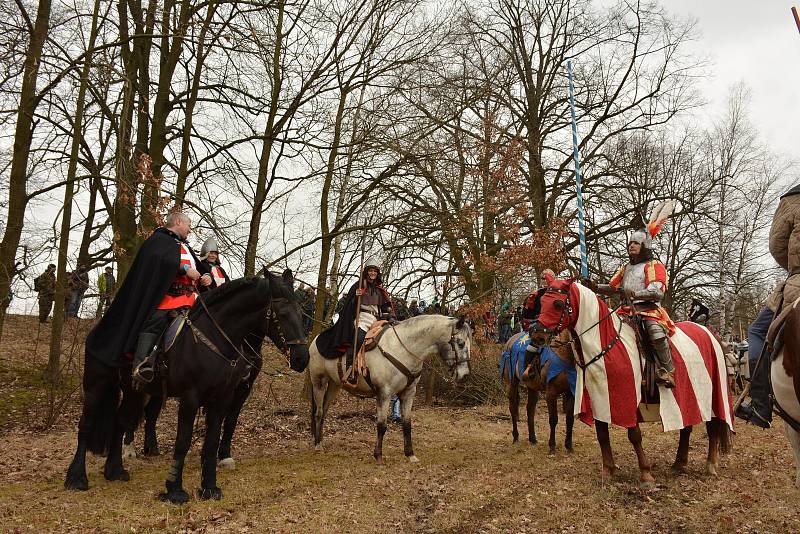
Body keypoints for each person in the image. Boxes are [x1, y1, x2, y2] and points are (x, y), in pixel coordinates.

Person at [84, 212, 212, 386]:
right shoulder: (158, 241)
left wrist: (206, 275)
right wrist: (182, 268)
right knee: (156, 320)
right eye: (189, 225)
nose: (190, 230)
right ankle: (141, 366)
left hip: (192, 298)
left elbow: (200, 266)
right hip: (169, 297)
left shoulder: (185, 246)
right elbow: (159, 261)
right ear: (178, 222)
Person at [737, 182, 800, 428]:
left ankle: (761, 405)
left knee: (756, 331)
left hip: (798, 283)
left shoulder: (793, 199)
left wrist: (794, 270)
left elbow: (777, 246)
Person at [597, 211, 676, 389]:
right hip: (625, 310)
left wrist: (635, 294)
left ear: (645, 245)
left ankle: (667, 371)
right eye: (630, 242)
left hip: (648, 310)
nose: (631, 245)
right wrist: (594, 286)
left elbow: (657, 291)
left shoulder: (654, 265)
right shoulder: (626, 268)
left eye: (636, 243)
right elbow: (612, 287)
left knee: (655, 333)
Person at [315, 260, 395, 370]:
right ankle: (349, 364)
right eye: (370, 271)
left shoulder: (379, 290)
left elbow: (385, 306)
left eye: (375, 271)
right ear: (367, 272)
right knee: (360, 337)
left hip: (376, 320)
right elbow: (350, 304)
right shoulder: (359, 286)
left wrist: (390, 314)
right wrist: (356, 297)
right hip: (363, 318)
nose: (373, 273)